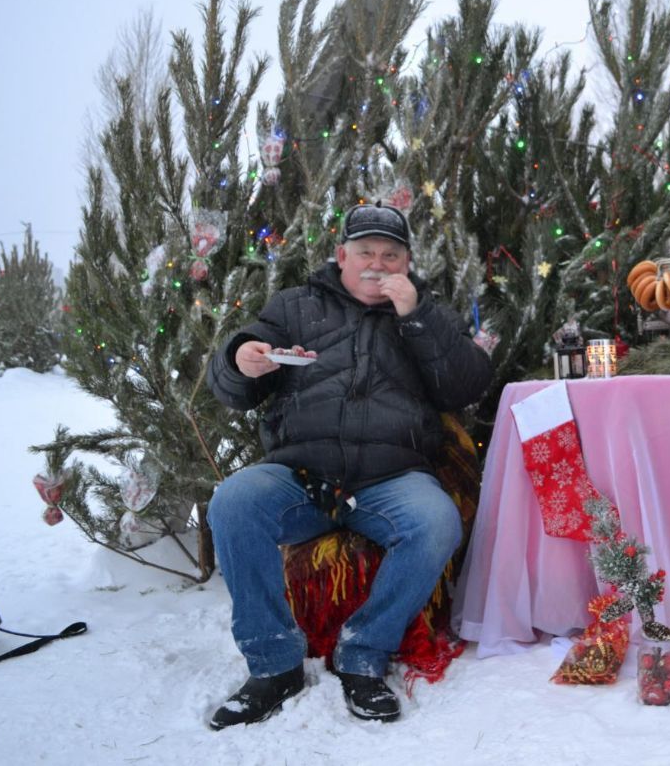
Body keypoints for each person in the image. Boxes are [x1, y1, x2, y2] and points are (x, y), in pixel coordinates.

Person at [204, 201, 492, 729]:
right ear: (342, 256)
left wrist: (418, 317)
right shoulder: (295, 307)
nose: (377, 264)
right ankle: (274, 664)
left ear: (406, 263)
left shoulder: (430, 313)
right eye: (365, 253)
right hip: (300, 475)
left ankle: (363, 653)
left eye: (390, 254)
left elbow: (465, 386)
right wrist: (241, 359)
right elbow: (237, 382)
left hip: (392, 478)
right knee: (235, 501)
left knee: (435, 522)